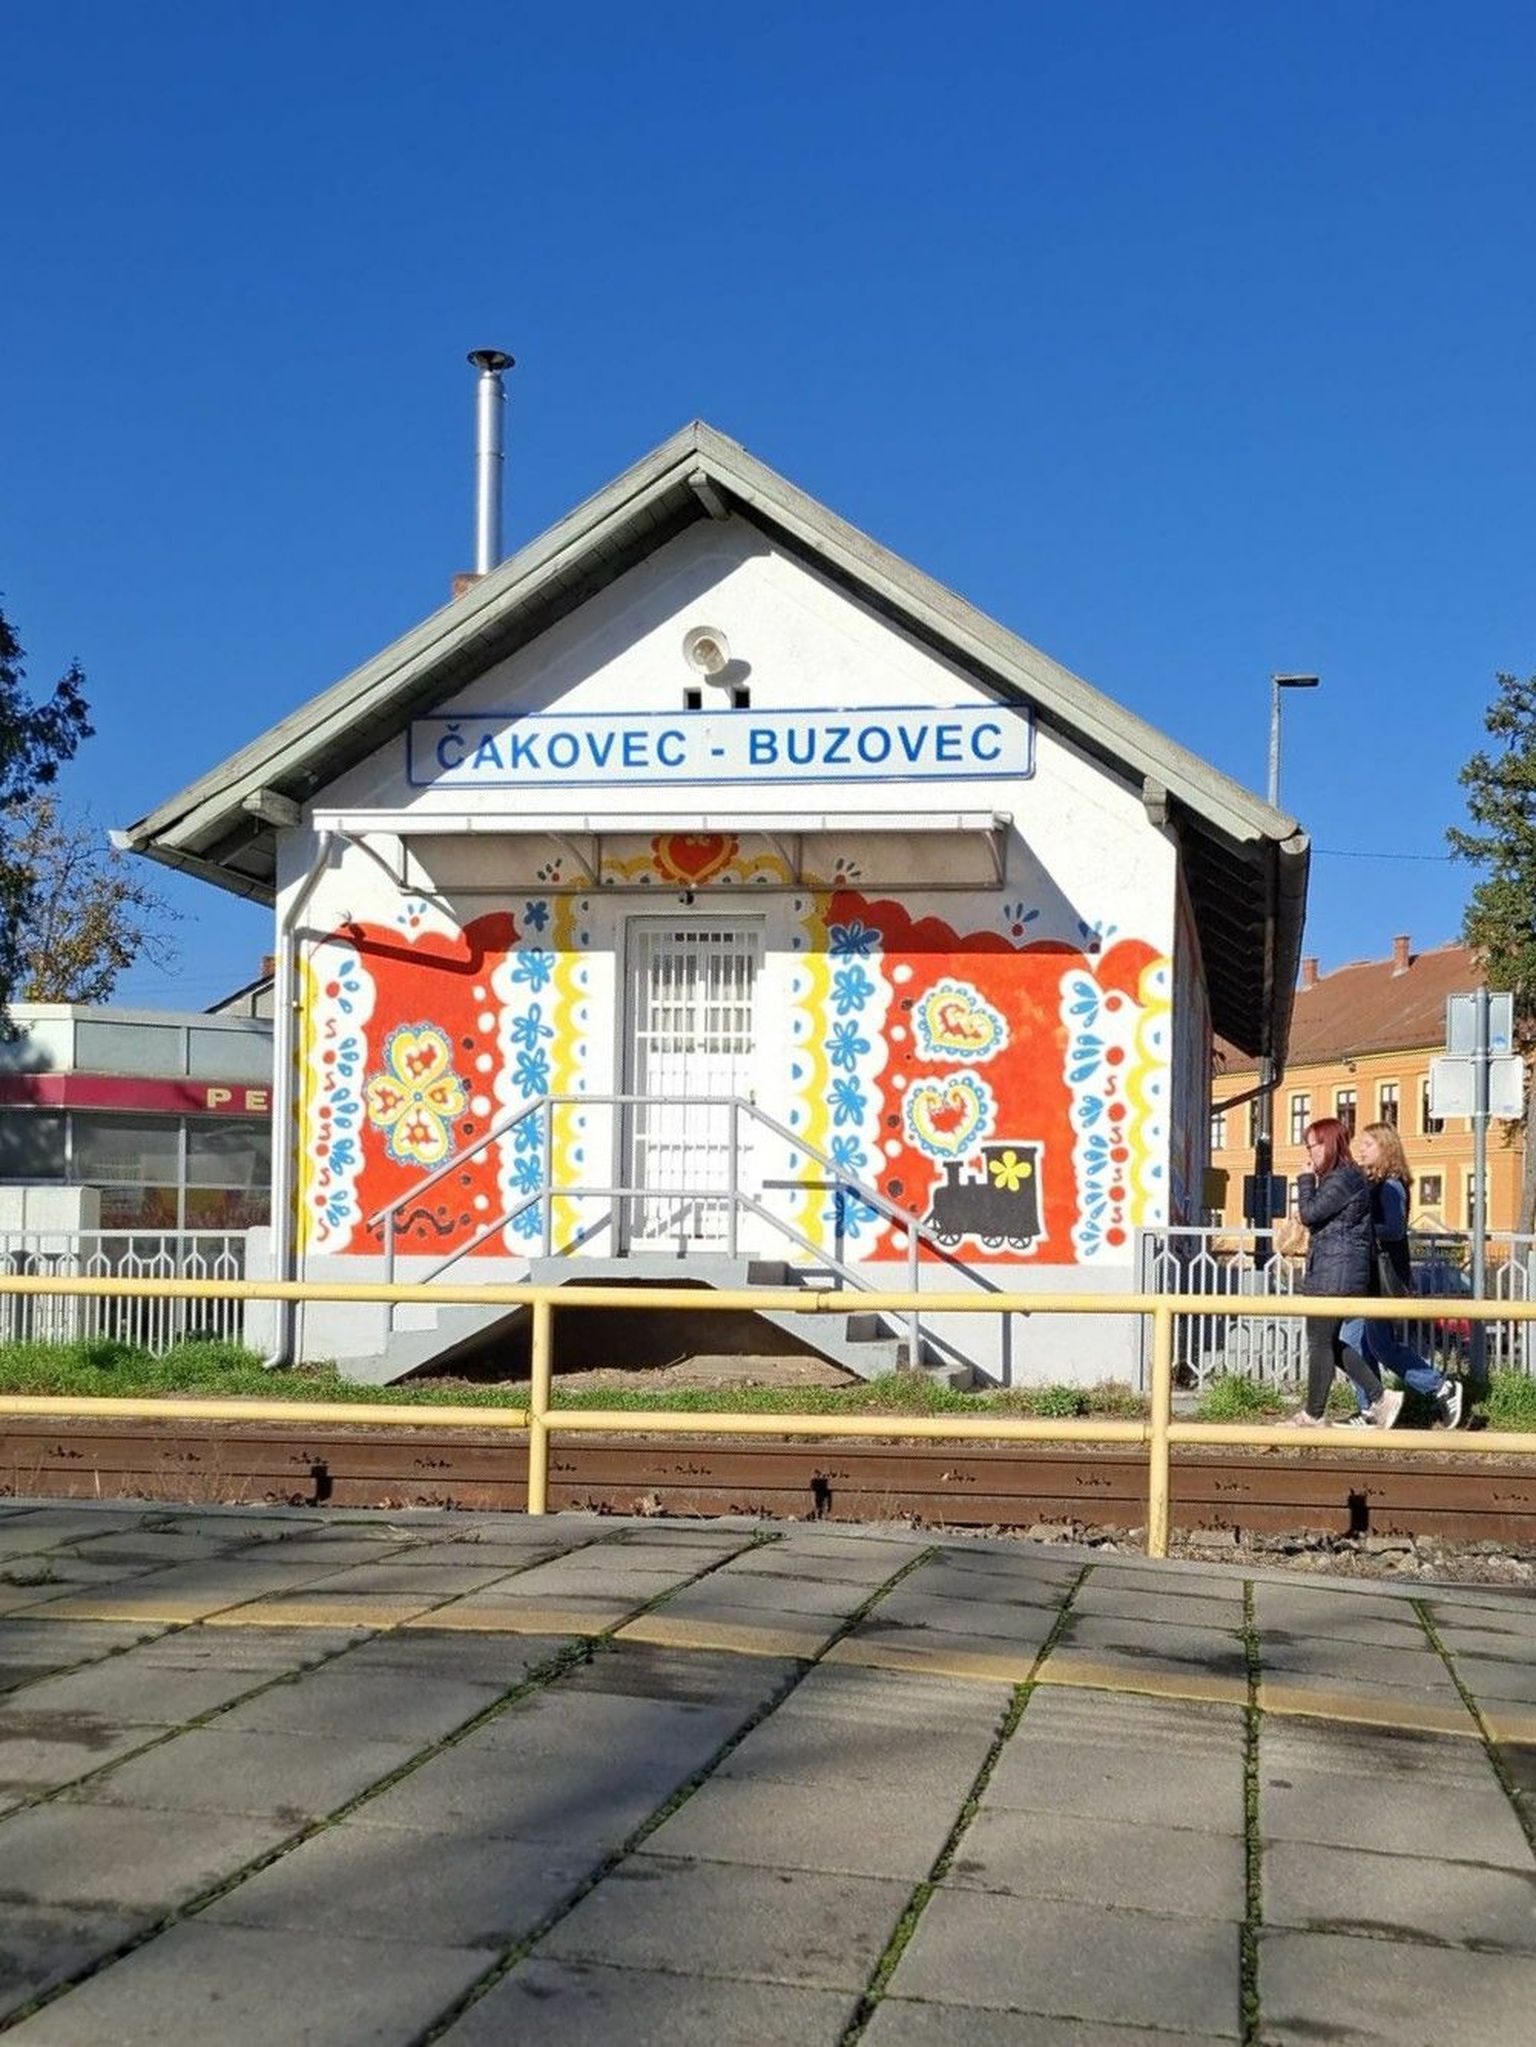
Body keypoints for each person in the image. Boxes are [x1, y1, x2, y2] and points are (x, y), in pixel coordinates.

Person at [1338, 1121, 1463, 1430]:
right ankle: (1372, 1408)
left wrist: (1358, 1226)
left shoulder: (1391, 1186)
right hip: (1367, 1279)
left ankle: (1440, 1387)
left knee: (1381, 1347)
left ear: (1386, 1148)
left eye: (1368, 1144)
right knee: (1354, 1342)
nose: (1361, 1149)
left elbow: (1394, 1229)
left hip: (1382, 1280)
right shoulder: (1374, 1184)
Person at [1285, 1117, 1404, 1429]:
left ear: (1328, 1144)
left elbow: (1310, 1213)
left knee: (1320, 1343)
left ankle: (1314, 1414)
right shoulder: (1345, 1177)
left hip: (1335, 1274)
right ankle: (1380, 1397)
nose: (1309, 1153)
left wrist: (1305, 1180)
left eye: (1312, 1145)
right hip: (1334, 1271)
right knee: (1329, 1344)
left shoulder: (1343, 1178)